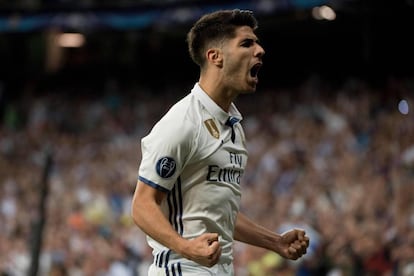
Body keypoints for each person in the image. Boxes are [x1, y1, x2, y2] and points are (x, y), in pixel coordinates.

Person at [131, 9, 310, 275]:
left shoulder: (235, 128)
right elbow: (142, 205)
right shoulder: (182, 123)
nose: (260, 50)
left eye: (257, 43)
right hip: (182, 269)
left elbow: (219, 216)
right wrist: (186, 247)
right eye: (247, 43)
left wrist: (275, 242)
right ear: (215, 57)